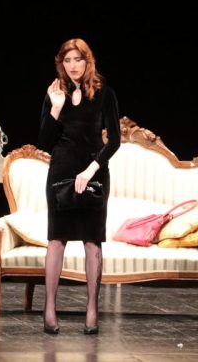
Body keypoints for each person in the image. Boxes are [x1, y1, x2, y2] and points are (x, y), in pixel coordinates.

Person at [38, 38, 121, 335]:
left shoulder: (104, 94)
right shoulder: (54, 93)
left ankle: (92, 309)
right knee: (56, 240)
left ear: (88, 61)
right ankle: (49, 309)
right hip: (61, 171)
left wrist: (91, 169)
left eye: (78, 59)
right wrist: (56, 108)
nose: (73, 66)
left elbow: (115, 141)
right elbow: (44, 142)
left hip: (93, 171)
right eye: (67, 60)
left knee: (91, 241)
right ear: (61, 63)